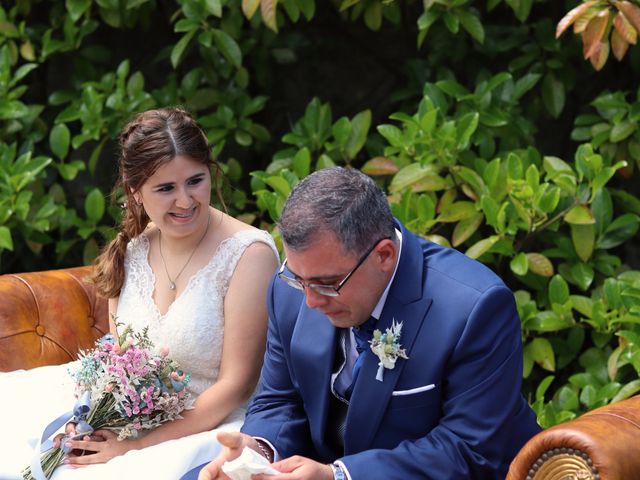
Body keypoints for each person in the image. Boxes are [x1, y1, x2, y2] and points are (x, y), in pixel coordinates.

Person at [191, 166, 541, 480]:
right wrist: (259, 453)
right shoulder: (290, 289)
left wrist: (339, 476)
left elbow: (469, 450)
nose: (310, 301)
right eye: (300, 280)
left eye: (328, 284)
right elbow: (280, 399)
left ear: (384, 256)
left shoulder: (475, 307)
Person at [0, 107, 279, 479]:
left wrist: (132, 446)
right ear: (135, 192)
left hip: (213, 426)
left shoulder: (249, 255)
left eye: (195, 181)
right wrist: (91, 421)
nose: (185, 200)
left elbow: (235, 386)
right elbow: (118, 361)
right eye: (166, 188)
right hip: (136, 419)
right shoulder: (131, 250)